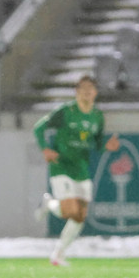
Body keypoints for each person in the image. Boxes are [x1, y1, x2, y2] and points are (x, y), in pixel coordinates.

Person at [33, 75, 120, 266]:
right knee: (70, 211)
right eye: (83, 88)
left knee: (79, 217)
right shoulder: (65, 111)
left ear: (95, 92)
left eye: (90, 88)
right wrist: (45, 149)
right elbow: (39, 127)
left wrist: (107, 146)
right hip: (61, 165)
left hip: (81, 169)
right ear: (77, 92)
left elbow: (97, 144)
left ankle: (58, 254)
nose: (87, 92)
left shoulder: (97, 116)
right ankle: (49, 203)